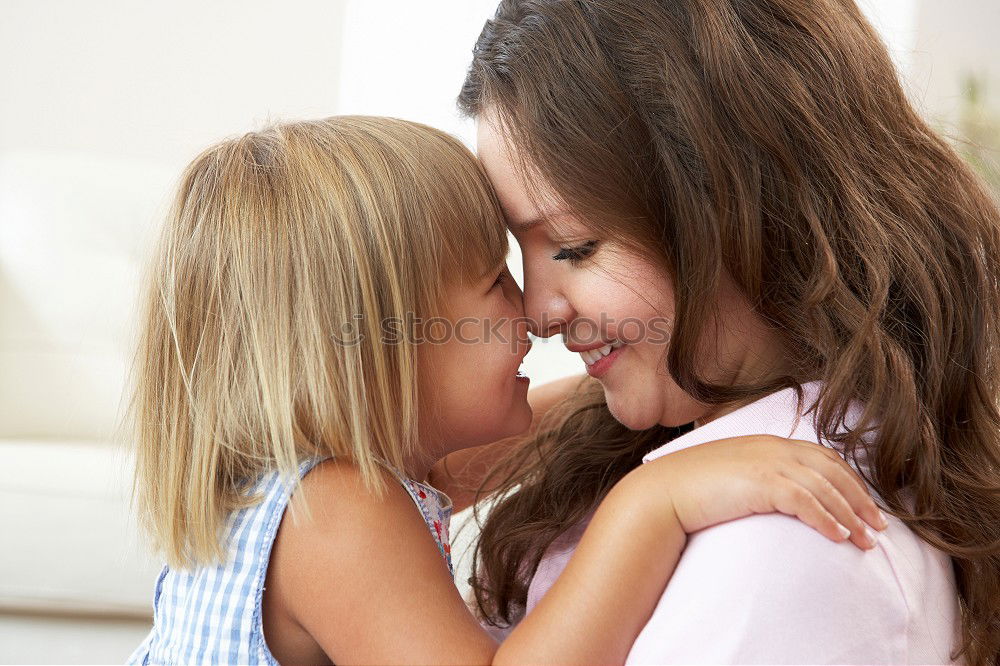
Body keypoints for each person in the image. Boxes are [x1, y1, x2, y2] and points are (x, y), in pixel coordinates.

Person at [124, 116, 881, 665]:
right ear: (385, 350)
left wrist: (665, 368)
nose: (534, 310)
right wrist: (657, 500)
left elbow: (548, 428)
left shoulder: (322, 487)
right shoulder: (340, 514)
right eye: (496, 281)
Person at [446, 1, 1000, 664]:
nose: (538, 314)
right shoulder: (678, 430)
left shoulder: (785, 542)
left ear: (741, 206)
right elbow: (387, 458)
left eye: (575, 246)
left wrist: (647, 507)